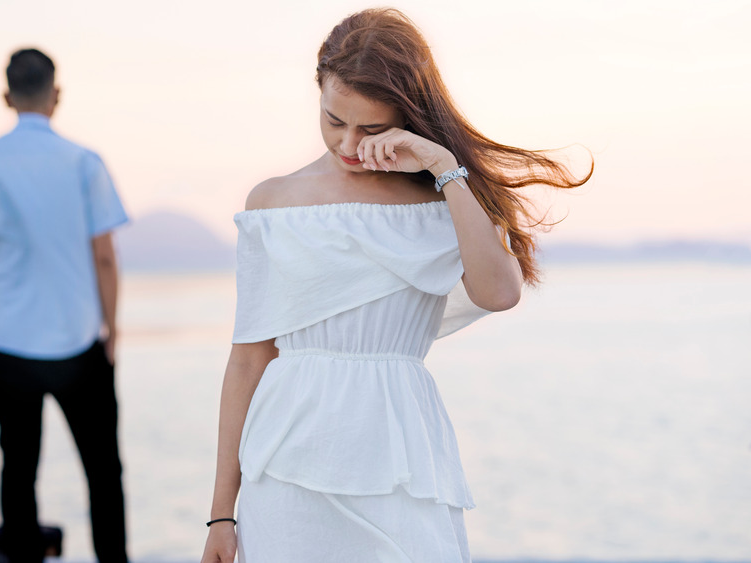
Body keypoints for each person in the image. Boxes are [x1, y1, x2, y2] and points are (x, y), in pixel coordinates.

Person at [200, 8, 591, 563]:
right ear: (318, 92)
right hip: (286, 460)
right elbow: (248, 359)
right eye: (335, 120)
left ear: (409, 117)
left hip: (402, 457)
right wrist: (222, 514)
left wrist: (444, 167)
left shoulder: (439, 201)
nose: (350, 144)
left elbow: (500, 293)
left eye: (373, 128)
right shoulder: (274, 203)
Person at [0, 48, 130, 563]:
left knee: (18, 469)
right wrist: (111, 332)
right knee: (103, 472)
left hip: (8, 343)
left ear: (7, 96)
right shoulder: (84, 161)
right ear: (57, 94)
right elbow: (105, 258)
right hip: (80, 345)